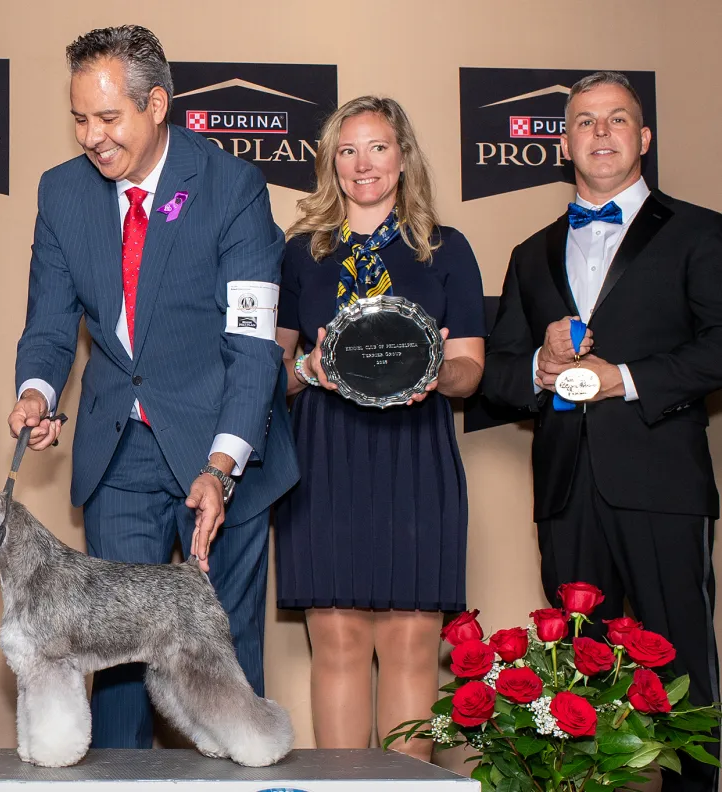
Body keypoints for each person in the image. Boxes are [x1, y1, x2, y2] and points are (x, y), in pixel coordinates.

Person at [7, 25, 297, 749]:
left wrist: (222, 466)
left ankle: (245, 764)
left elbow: (253, 343)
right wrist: (38, 391)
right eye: (79, 118)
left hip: (223, 443)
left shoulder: (231, 185)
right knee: (116, 670)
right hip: (119, 454)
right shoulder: (62, 192)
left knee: (223, 655)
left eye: (108, 119)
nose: (91, 137)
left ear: (157, 104)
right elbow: (49, 323)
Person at [483, 71, 722, 791]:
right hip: (566, 488)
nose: (601, 132)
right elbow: (495, 373)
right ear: (564, 141)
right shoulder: (530, 253)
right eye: (585, 121)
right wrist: (538, 364)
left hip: (661, 482)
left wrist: (629, 377)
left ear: (643, 138)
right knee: (571, 682)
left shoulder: (700, 232)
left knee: (681, 671)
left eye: (617, 119)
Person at [275, 96, 485, 759]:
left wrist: (434, 373)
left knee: (411, 643)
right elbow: (271, 372)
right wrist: (306, 369)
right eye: (347, 150)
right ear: (330, 163)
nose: (363, 164)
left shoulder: (448, 251)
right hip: (326, 455)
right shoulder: (300, 254)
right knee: (336, 643)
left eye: (378, 148)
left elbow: (470, 369)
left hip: (414, 454)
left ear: (403, 158)